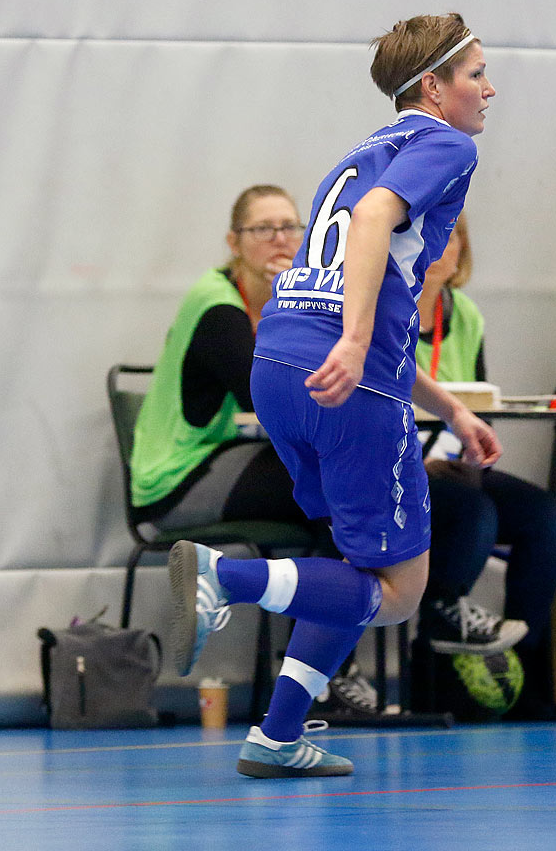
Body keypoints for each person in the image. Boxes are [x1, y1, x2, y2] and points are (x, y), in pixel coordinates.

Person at [169, 13, 502, 778]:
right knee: (399, 589)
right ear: (433, 86)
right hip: (342, 380)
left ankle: (277, 737)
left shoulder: (357, 155)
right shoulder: (448, 145)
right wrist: (354, 344)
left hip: (280, 363)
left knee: (351, 570)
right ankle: (227, 577)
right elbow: (377, 224)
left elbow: (352, 273)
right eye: (475, 73)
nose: (488, 88)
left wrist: (448, 406)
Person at [127, 184, 378, 717]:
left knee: (336, 494)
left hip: (225, 462)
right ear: (233, 242)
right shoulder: (217, 305)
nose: (280, 241)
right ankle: (323, 672)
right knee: (333, 494)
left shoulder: (279, 303)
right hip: (177, 485)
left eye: (290, 228)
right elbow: (272, 398)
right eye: (262, 230)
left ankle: (319, 670)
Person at [415, 216, 556, 719]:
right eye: (431, 231)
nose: (445, 243)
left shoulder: (466, 316)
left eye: (454, 232)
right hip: (399, 463)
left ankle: (519, 673)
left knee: (547, 520)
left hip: (450, 463)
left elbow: (477, 403)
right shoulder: (380, 310)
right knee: (473, 513)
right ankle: (438, 653)